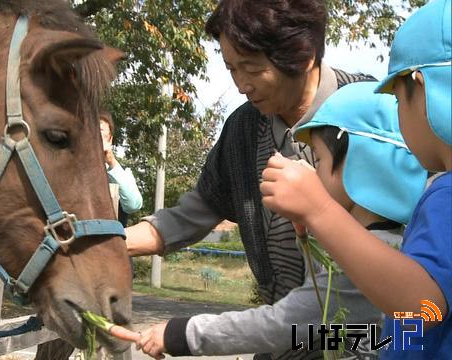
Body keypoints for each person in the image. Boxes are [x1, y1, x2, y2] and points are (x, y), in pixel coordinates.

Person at [125, 0, 373, 358]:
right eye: (231, 69)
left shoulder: (372, 113)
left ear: (301, 56)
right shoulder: (243, 130)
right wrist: (107, 242)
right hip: (280, 342)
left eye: (252, 69)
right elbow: (191, 214)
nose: (241, 84)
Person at [137, 82, 428, 359]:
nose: (315, 172)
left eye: (321, 160)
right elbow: (342, 331)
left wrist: (183, 334)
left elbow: (283, 325)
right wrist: (306, 229)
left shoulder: (364, 262)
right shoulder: (397, 244)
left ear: (355, 165)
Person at [260, 0, 451, 358]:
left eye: (398, 100)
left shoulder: (446, 197)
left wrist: (317, 209)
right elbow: (399, 336)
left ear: (422, 88)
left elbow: (422, 305)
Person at [100, 111, 143, 226]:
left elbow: (133, 205)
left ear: (110, 139)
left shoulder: (122, 173)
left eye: (100, 131)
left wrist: (111, 161)